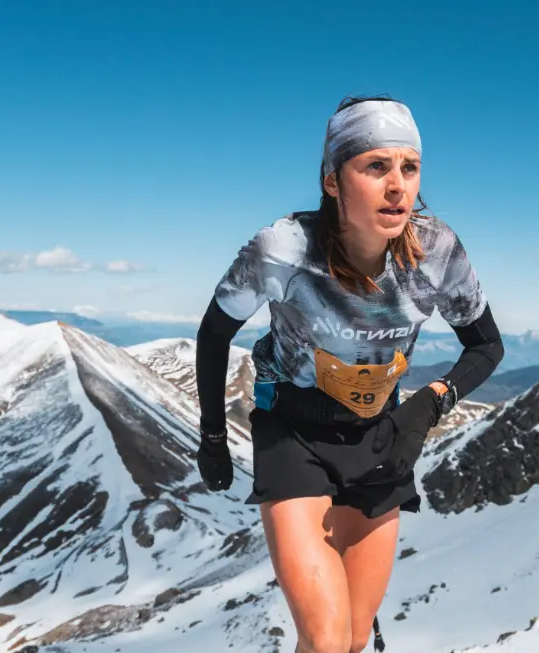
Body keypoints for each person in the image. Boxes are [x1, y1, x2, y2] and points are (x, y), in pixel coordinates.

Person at [194, 94, 504, 653]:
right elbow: (215, 333)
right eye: (375, 166)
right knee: (327, 640)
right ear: (333, 180)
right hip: (293, 434)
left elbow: (485, 347)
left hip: (379, 439)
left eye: (409, 168)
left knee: (357, 639)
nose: (398, 186)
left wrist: (428, 405)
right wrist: (213, 438)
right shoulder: (283, 250)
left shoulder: (436, 251)